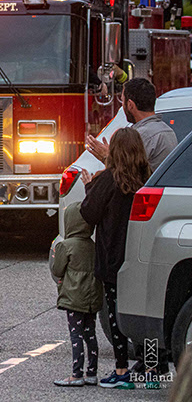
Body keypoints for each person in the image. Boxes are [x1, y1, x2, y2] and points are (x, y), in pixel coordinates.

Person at [79, 127, 151, 388]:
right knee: (146, 314)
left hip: (112, 259)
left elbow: (89, 213)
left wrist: (89, 187)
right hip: (142, 257)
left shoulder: (109, 180)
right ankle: (151, 368)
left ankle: (121, 371)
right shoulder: (148, 178)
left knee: (116, 316)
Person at [51, 202, 104, 387]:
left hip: (74, 298)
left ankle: (76, 374)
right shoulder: (94, 246)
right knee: (91, 334)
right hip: (92, 297)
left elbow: (57, 270)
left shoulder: (66, 245)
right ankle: (92, 373)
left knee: (76, 335)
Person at [86, 78, 178, 171]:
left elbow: (126, 176)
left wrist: (106, 157)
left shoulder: (140, 136)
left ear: (130, 105)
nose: (122, 105)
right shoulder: (168, 131)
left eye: (122, 101)